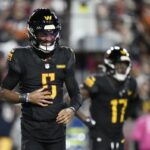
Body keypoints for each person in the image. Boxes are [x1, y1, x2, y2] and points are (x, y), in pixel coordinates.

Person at [0, 8, 82, 150]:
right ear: (32, 32)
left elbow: (75, 93)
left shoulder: (66, 55)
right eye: (43, 33)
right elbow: (3, 93)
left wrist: (71, 109)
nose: (48, 38)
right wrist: (27, 97)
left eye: (52, 33)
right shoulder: (20, 56)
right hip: (31, 130)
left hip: (57, 130)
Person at [75, 46, 141, 150]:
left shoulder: (131, 83)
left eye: (125, 64)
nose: (122, 68)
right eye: (119, 64)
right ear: (110, 64)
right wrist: (86, 120)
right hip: (100, 136)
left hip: (119, 136)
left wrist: (125, 116)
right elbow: (69, 99)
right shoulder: (98, 82)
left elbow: (134, 102)